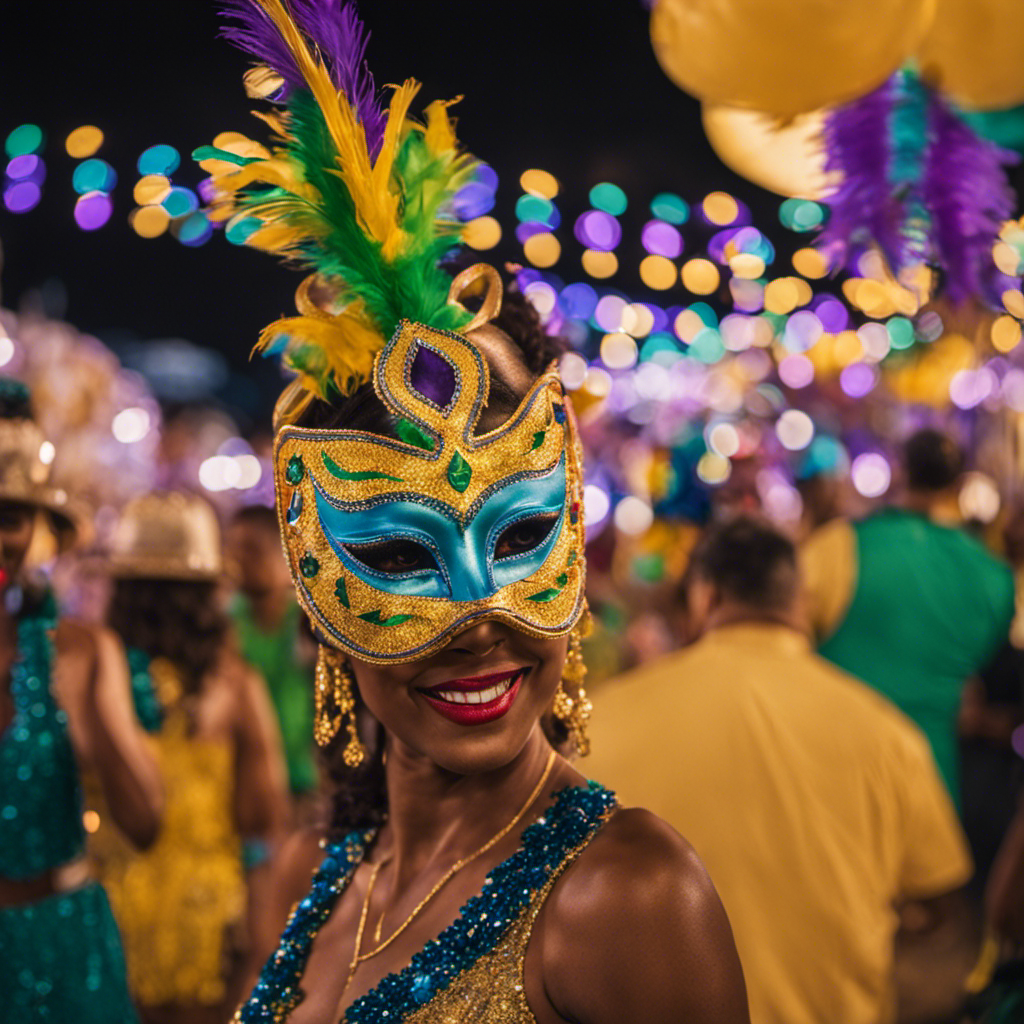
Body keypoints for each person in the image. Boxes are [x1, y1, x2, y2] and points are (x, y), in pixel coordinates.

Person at [201, 2, 750, 1020]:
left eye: (520, 536)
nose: (480, 614)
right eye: (402, 553)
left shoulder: (627, 895)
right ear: (314, 576)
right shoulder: (307, 878)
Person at [586, 516, 975, 1024]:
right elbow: (938, 904)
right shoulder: (886, 734)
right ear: (800, 601)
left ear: (705, 598)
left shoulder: (603, 721)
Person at [90, 490, 290, 1024]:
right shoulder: (234, 687)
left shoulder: (92, 686)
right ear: (208, 595)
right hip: (205, 920)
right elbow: (262, 821)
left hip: (104, 912)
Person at [0, 379, 163, 1023]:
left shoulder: (82, 651)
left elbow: (146, 826)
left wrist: (98, 729)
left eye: (8, 517)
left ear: (44, 530)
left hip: (61, 947)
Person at [802, 428, 1016, 800]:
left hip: (836, 768)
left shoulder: (838, 546)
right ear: (956, 482)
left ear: (900, 471)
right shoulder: (993, 576)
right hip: (933, 776)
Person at [228, 503, 318, 802]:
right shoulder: (224, 624)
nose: (238, 560)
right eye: (233, 549)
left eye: (251, 549)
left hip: (305, 779)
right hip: (243, 781)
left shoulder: (308, 621)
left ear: (284, 552)